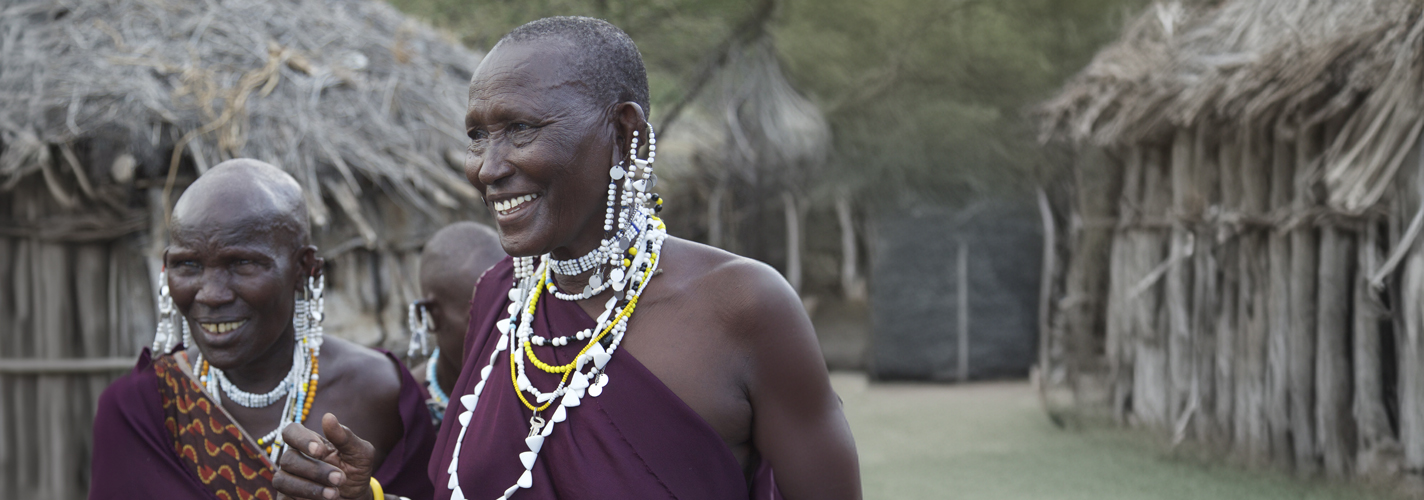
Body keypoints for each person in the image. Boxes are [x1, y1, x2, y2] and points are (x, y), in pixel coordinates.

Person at [273, 17, 860, 500]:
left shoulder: (744, 307)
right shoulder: (499, 300)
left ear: (624, 132)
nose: (488, 167)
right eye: (479, 135)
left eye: (520, 129)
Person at [88, 159, 435, 500]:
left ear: (304, 268)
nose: (211, 294)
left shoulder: (381, 393)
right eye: (187, 265)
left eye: (242, 263)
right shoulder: (139, 409)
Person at [408, 222, 506, 421]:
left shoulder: (541, 391)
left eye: (514, 312)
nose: (505, 331)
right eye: (482, 319)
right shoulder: (405, 409)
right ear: (431, 315)